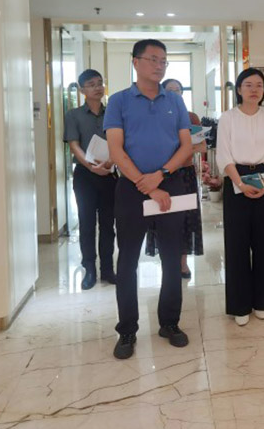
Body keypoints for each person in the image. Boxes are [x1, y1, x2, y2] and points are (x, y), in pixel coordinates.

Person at [104, 39, 194, 359]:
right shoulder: (118, 101)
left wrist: (162, 175)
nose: (159, 65)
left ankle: (169, 323)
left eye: (163, 61)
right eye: (153, 59)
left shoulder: (175, 101)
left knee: (172, 257)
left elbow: (186, 146)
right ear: (136, 62)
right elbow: (116, 150)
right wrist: (148, 185)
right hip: (132, 189)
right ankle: (127, 329)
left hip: (171, 185)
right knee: (128, 260)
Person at [215, 68, 264, 326]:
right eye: (248, 85)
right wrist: (241, 183)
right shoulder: (228, 118)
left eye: (259, 85)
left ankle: (263, 301)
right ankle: (239, 305)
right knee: (237, 244)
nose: (254, 89)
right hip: (237, 179)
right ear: (239, 89)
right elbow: (224, 156)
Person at [63, 69, 116, 291]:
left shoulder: (113, 112)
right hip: (85, 176)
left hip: (110, 173)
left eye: (100, 83)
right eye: (92, 84)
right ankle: (89, 269)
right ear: (82, 89)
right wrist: (91, 166)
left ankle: (107, 269)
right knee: (86, 224)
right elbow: (74, 144)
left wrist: (110, 162)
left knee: (108, 224)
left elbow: (119, 142)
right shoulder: (73, 115)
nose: (98, 88)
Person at [159, 78, 206, 280]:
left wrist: (184, 150)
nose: (174, 93)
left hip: (185, 173)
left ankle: (183, 263)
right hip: (162, 174)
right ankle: (167, 262)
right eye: (169, 90)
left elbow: (202, 146)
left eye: (177, 90)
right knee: (165, 217)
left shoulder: (191, 117)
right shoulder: (156, 116)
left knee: (186, 218)